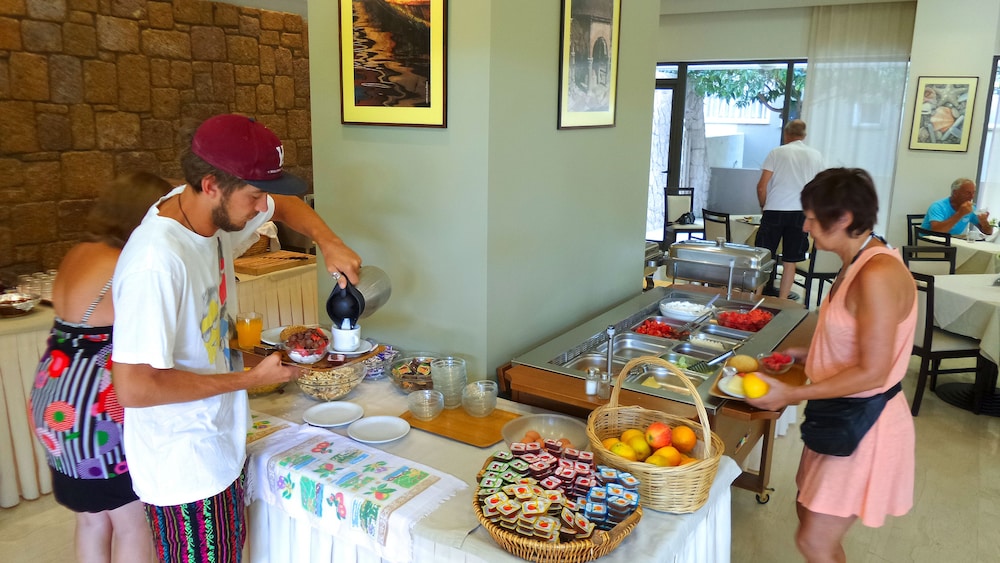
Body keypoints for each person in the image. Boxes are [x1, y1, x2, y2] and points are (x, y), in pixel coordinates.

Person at [111, 114, 362, 562]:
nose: (262, 208)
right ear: (211, 185)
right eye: (254, 196)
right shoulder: (156, 262)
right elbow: (134, 386)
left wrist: (329, 242)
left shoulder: (203, 210)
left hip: (218, 442)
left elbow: (285, 205)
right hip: (183, 466)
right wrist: (249, 379)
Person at [746, 168, 916, 562]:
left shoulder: (877, 273)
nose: (804, 226)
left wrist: (791, 393)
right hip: (839, 413)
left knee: (814, 540)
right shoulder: (857, 261)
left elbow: (873, 371)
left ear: (843, 219)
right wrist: (803, 355)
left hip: (865, 424)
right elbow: (854, 340)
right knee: (807, 512)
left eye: (809, 217)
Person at [29, 171, 173, 563]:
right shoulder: (126, 263)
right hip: (97, 407)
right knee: (132, 522)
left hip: (53, 396)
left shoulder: (79, 251)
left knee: (91, 520)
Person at [754, 119, 825, 300]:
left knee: (762, 257)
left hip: (774, 209)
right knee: (790, 260)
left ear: (786, 134)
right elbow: (819, 188)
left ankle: (756, 297)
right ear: (804, 135)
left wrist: (764, 206)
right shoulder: (816, 156)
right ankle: (783, 301)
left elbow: (761, 186)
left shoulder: (776, 153)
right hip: (801, 212)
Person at [921, 177, 993, 237]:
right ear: (955, 193)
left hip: (952, 243)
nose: (972, 197)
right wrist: (960, 214)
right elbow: (936, 232)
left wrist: (984, 222)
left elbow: (989, 232)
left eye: (973, 192)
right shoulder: (938, 206)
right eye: (967, 193)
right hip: (929, 243)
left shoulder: (971, 209)